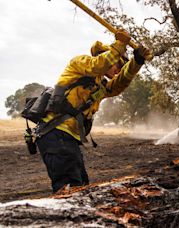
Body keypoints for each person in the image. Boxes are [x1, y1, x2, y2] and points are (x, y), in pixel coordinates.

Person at [35, 30, 151, 193]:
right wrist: (120, 45)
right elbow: (98, 65)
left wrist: (136, 61)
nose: (118, 70)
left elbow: (119, 84)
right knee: (69, 189)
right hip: (55, 133)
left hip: (66, 138)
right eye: (118, 64)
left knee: (81, 185)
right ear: (108, 55)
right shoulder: (81, 63)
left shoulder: (99, 85)